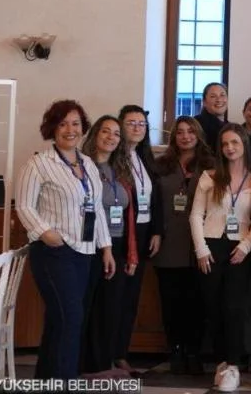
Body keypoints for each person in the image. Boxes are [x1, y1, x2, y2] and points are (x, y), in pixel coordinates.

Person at [16, 100, 115, 381]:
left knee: (61, 319)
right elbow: (24, 206)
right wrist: (46, 233)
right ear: (52, 128)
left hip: (84, 252)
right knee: (70, 317)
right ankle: (64, 382)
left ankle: (47, 382)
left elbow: (96, 209)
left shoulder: (88, 164)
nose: (70, 130)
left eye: (75, 123)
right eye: (62, 124)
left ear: (83, 128)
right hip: (54, 252)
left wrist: (106, 247)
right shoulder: (38, 164)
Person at [191, 123, 251, 393]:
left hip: (239, 250)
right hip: (210, 247)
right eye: (225, 144)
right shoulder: (209, 177)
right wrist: (201, 249)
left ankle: (234, 365)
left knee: (235, 308)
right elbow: (196, 215)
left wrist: (246, 245)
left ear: (244, 145)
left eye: (234, 142)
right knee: (214, 308)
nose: (229, 148)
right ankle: (221, 362)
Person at [152, 115, 213, 375]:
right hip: (169, 243)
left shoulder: (211, 164)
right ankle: (175, 350)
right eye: (180, 132)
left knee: (197, 303)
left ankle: (194, 351)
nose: (185, 136)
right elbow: (153, 203)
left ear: (198, 135)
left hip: (202, 245)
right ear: (173, 137)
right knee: (171, 303)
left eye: (191, 131)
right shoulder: (160, 166)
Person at [80, 116, 137, 376]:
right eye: (106, 131)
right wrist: (104, 248)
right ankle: (87, 364)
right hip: (92, 245)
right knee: (91, 305)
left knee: (110, 307)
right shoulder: (83, 167)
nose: (111, 137)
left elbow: (128, 212)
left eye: (116, 134)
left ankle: (103, 363)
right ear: (95, 135)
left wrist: (129, 252)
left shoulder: (118, 170)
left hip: (118, 244)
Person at [113, 105, 160, 373]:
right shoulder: (113, 159)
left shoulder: (145, 158)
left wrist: (156, 231)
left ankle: (120, 352)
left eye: (142, 124)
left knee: (130, 298)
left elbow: (155, 198)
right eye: (131, 123)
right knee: (115, 296)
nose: (137, 128)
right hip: (120, 234)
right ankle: (105, 354)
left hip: (142, 234)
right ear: (120, 126)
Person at [197, 82, 230, 151]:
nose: (219, 100)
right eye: (213, 96)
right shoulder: (197, 124)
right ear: (204, 102)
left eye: (222, 95)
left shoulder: (229, 126)